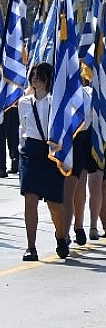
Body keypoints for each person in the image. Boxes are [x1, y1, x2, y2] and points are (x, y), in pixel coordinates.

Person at [19, 62, 68, 261]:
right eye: (33, 74)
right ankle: (31, 246)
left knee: (54, 204)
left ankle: (61, 237)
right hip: (31, 152)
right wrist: (21, 150)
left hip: (52, 152)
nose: (35, 78)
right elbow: (23, 129)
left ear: (48, 78)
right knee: (30, 200)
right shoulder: (24, 102)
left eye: (39, 75)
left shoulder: (55, 102)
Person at [71, 77, 97, 245]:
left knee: (79, 185)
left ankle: (78, 225)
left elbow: (88, 118)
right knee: (63, 189)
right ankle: (62, 231)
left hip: (81, 138)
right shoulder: (56, 94)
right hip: (62, 139)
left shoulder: (88, 94)